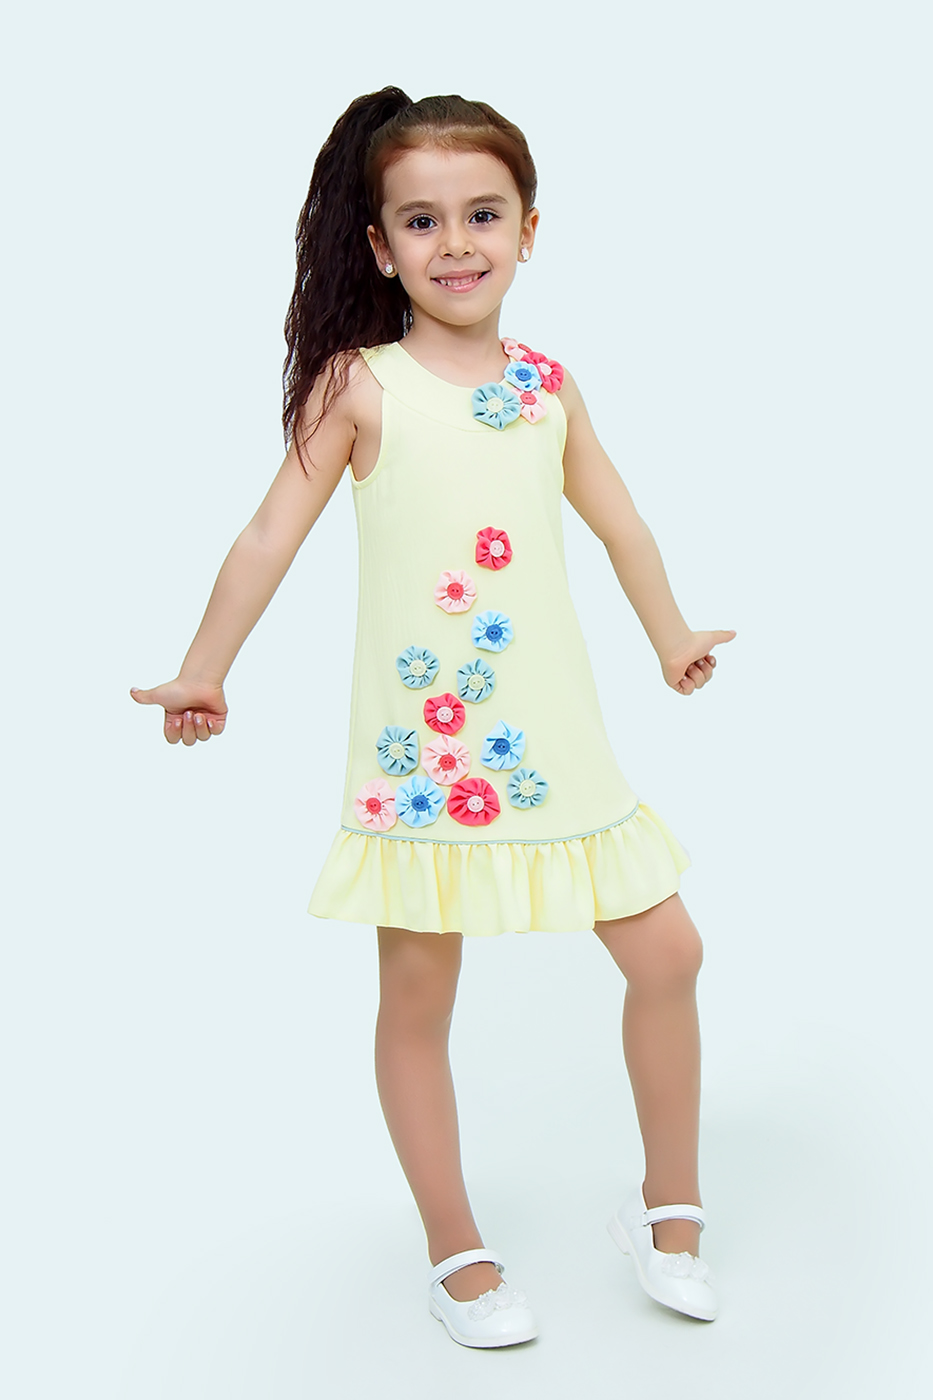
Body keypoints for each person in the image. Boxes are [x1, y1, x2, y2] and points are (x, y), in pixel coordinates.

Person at [131, 86, 737, 1349]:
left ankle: (669, 1208)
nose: (455, 242)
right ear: (378, 244)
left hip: (554, 737)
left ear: (529, 228)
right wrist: (204, 667)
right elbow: (266, 536)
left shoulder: (549, 387)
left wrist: (671, 633)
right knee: (417, 995)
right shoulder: (360, 387)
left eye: (483, 214)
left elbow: (619, 520)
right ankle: (455, 1245)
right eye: (421, 220)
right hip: (425, 752)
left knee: (669, 952)